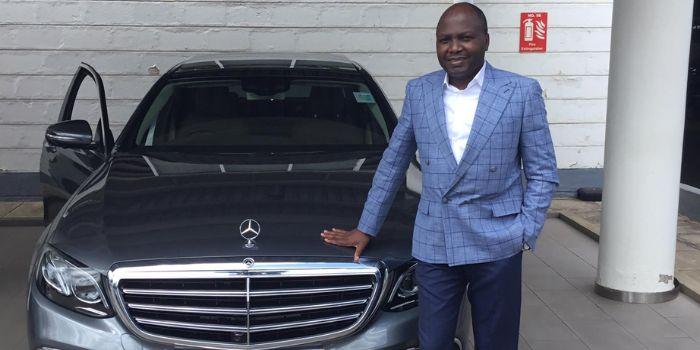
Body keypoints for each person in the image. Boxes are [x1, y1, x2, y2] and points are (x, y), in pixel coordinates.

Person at [321, 2, 558, 349]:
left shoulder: (520, 92)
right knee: (432, 342)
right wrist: (366, 227)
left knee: (497, 340)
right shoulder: (421, 91)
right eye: (445, 39)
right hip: (435, 240)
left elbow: (542, 170)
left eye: (465, 37)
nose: (454, 47)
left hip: (498, 239)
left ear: (486, 40)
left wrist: (525, 230)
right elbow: (393, 162)